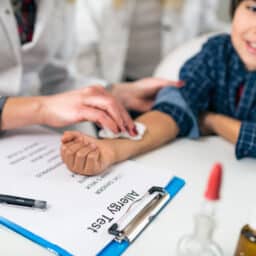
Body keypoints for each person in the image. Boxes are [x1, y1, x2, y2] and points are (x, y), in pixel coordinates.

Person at [61, 0, 256, 176]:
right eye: (253, 8)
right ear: (234, 7)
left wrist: (210, 120)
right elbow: (174, 109)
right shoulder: (217, 52)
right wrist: (111, 149)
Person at [0, 0, 178, 135]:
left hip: (22, 134)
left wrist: (117, 92)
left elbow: (57, 79)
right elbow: (47, 103)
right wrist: (41, 108)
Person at [75, 0, 227, 84]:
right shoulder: (95, 4)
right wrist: (106, 91)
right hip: (116, 83)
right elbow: (85, 55)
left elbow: (206, 29)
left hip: (170, 84)